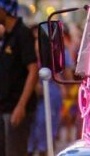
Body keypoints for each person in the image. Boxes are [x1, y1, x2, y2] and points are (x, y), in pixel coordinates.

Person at [0, 0, 38, 156]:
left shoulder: (23, 35)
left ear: (4, 10)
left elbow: (33, 70)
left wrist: (21, 106)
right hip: (4, 107)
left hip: (16, 108)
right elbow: (0, 31)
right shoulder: (9, 35)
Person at [28, 26, 62, 156]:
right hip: (33, 94)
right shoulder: (28, 54)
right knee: (33, 125)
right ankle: (32, 148)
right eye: (35, 38)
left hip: (49, 91)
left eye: (39, 38)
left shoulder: (51, 54)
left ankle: (45, 149)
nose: (37, 42)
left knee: (46, 123)